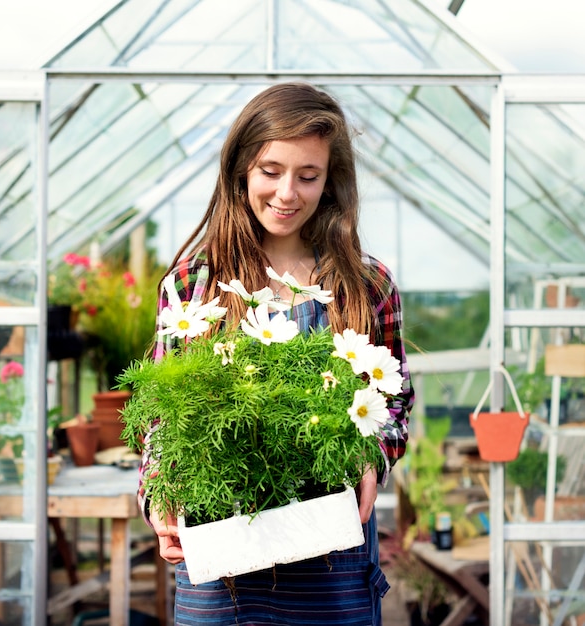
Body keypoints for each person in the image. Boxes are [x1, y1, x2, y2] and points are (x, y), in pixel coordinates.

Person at [138, 82, 414, 625]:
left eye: (307, 176)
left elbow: (396, 400)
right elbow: (159, 415)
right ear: (241, 169)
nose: (288, 192)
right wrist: (159, 495)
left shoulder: (365, 284)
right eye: (271, 171)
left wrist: (371, 459)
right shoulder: (194, 284)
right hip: (222, 572)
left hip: (332, 567)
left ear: (330, 181)